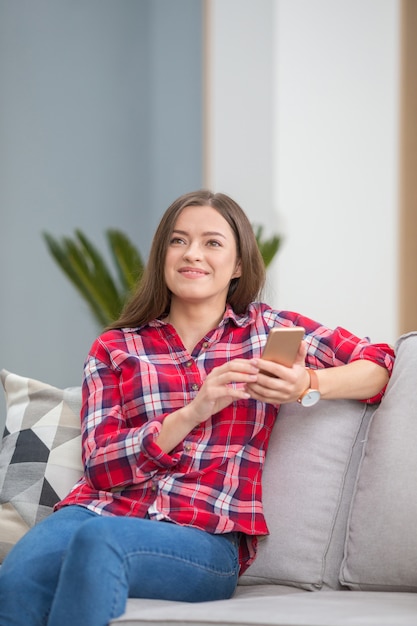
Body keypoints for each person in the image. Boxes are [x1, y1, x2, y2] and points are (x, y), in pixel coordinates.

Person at [0, 190, 395, 626]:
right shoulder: (115, 347)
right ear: (162, 255)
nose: (192, 254)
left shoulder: (269, 330)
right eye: (178, 240)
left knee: (99, 543)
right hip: (95, 511)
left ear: (239, 264)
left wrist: (307, 383)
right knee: (17, 576)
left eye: (212, 242)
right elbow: (102, 467)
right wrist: (193, 411)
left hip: (202, 540)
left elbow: (379, 364)